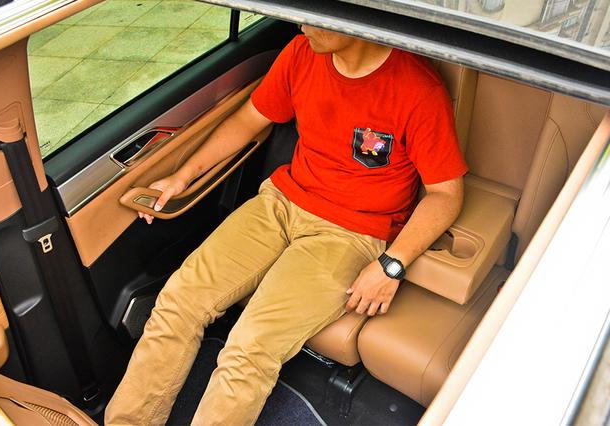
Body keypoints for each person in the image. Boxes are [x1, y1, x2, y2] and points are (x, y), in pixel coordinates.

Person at [105, 24, 467, 425]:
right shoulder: (300, 53)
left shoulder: (417, 89)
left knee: (250, 347)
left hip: (350, 232)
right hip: (280, 203)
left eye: (315, 15)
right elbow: (249, 118)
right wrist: (182, 177)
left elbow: (445, 195)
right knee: (178, 301)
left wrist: (391, 266)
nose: (302, 23)